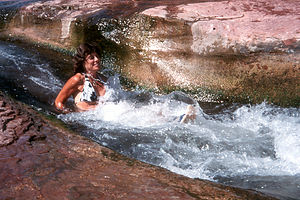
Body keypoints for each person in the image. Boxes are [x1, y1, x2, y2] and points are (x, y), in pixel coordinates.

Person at [55, 43, 107, 113]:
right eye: (91, 58)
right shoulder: (78, 79)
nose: (97, 59)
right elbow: (58, 102)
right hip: (83, 119)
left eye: (97, 56)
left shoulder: (104, 79)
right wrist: (69, 114)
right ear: (83, 62)